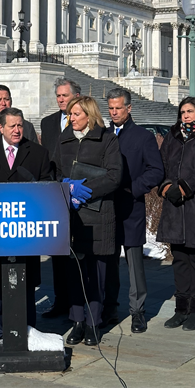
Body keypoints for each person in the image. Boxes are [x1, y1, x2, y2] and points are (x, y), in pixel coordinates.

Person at [0, 107, 51, 341]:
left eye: (20, 125)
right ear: (1, 127)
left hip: (24, 230)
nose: (17, 130)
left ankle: (25, 329)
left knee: (23, 280)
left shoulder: (37, 153)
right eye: (12, 126)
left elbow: (46, 185)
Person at [53, 96, 122, 346]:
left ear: (90, 116)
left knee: (97, 273)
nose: (72, 118)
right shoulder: (64, 138)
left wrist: (86, 190)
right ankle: (77, 321)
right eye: (71, 114)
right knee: (74, 271)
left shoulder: (107, 139)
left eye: (77, 114)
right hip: (71, 215)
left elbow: (115, 176)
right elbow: (56, 170)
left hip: (98, 215)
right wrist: (66, 186)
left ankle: (94, 322)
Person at [157, 97, 195, 331]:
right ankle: (181, 308)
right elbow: (160, 165)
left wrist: (184, 188)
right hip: (174, 206)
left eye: (190, 111)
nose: (185, 115)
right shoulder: (172, 137)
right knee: (180, 258)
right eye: (182, 111)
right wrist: (165, 188)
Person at [103, 89, 164, 333]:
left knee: (134, 263)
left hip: (131, 208)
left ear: (129, 108)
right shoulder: (104, 135)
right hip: (106, 208)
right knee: (107, 262)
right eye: (110, 108)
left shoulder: (143, 137)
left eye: (118, 108)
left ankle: (137, 311)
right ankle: (108, 308)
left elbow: (156, 170)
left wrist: (133, 189)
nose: (114, 112)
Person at [40, 77, 81, 318]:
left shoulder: (88, 121)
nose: (61, 99)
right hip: (55, 192)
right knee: (57, 251)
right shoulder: (47, 123)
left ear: (76, 96)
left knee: (79, 252)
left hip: (79, 191)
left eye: (65, 95)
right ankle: (60, 300)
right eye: (58, 96)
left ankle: (80, 301)